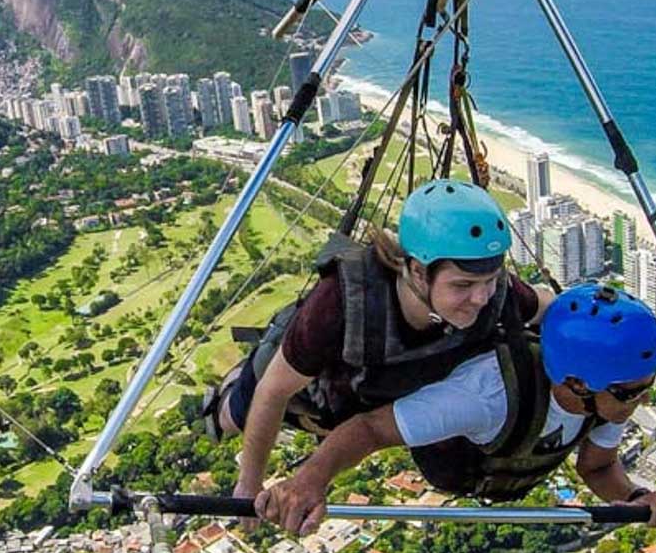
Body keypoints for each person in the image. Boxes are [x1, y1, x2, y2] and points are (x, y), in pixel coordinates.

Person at [198, 179, 552, 504]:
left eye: (490, 280)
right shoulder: (342, 303)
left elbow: (548, 307)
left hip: (363, 398)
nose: (480, 297)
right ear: (416, 271)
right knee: (234, 416)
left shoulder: (498, 296)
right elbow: (274, 392)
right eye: (462, 285)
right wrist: (249, 486)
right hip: (306, 392)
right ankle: (230, 387)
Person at [254, 284, 656, 534]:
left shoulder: (604, 401)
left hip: (505, 460)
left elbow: (598, 467)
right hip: (461, 461)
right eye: (633, 393)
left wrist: (637, 497)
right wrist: (309, 480)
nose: (643, 401)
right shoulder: (485, 394)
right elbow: (369, 430)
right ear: (576, 384)